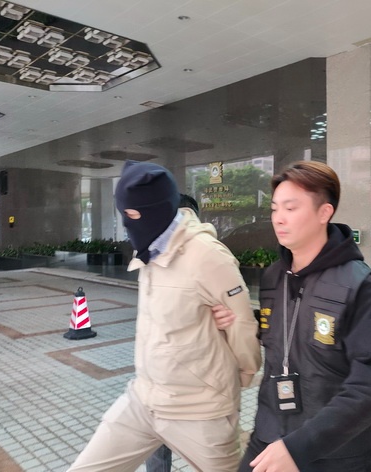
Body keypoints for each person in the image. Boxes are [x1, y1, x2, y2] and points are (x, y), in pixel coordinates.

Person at [67, 161, 261, 472]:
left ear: (156, 211)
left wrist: (242, 375)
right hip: (143, 398)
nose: (127, 223)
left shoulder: (207, 255)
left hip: (199, 409)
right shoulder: (149, 247)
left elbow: (242, 323)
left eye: (132, 215)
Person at [239, 160, 371, 472]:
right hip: (270, 436)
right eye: (274, 208)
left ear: (324, 213)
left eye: (291, 208)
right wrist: (235, 323)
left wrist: (300, 446)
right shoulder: (273, 277)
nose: (278, 218)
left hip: (337, 453)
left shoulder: (358, 284)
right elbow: (282, 336)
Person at [144, 193, 200, 472]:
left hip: (198, 376)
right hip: (161, 376)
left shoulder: (210, 261)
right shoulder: (152, 263)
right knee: (157, 442)